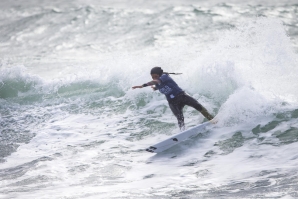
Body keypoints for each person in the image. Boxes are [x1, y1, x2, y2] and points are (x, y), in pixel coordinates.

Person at [132, 67, 214, 131]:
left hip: (182, 96)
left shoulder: (164, 77)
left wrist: (142, 86)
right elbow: (159, 85)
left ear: (160, 75)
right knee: (180, 118)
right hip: (172, 102)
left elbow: (157, 81)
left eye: (155, 76)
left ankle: (212, 119)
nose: (154, 78)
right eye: (152, 77)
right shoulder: (157, 82)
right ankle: (182, 132)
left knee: (198, 106)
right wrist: (155, 88)